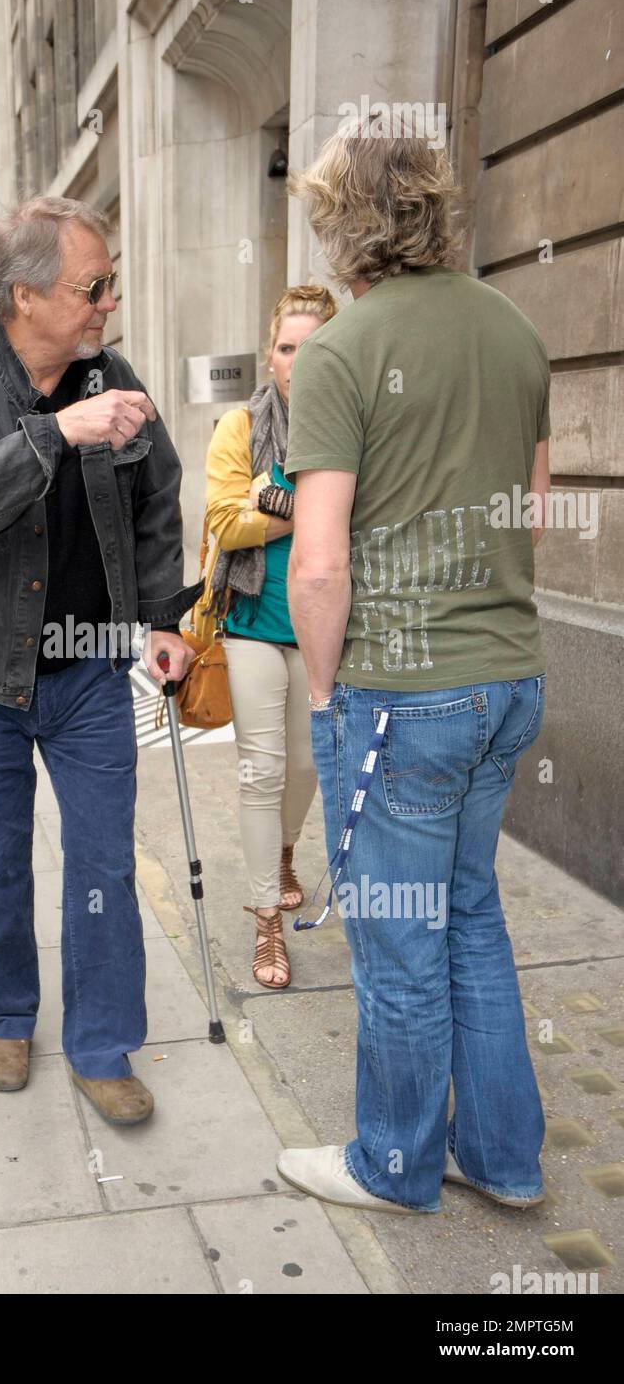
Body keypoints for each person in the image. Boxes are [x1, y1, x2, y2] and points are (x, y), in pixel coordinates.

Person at [276, 109, 551, 1214]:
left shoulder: (343, 349)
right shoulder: (516, 331)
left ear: (342, 223)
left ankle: (393, 1161)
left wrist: (324, 687)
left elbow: (318, 563)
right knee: (471, 912)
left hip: (402, 685)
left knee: (397, 936)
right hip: (509, 675)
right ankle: (505, 1157)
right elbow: (527, 506)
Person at [0, 195, 199, 1126]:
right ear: (24, 296)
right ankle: (4, 1015)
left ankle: (103, 1044)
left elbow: (156, 497)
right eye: (93, 286)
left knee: (105, 862)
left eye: (108, 284)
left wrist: (157, 616)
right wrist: (57, 434)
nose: (108, 302)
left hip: (88, 673)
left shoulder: (110, 373)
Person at [203, 285, 335, 990]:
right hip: (252, 618)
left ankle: (285, 852)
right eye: (287, 347)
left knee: (307, 764)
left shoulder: (352, 424)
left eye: (313, 348)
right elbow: (227, 523)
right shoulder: (240, 427)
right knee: (260, 769)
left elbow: (366, 520)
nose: (297, 361)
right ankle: (265, 921)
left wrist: (277, 500)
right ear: (270, 354)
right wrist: (310, 510)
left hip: (322, 626)